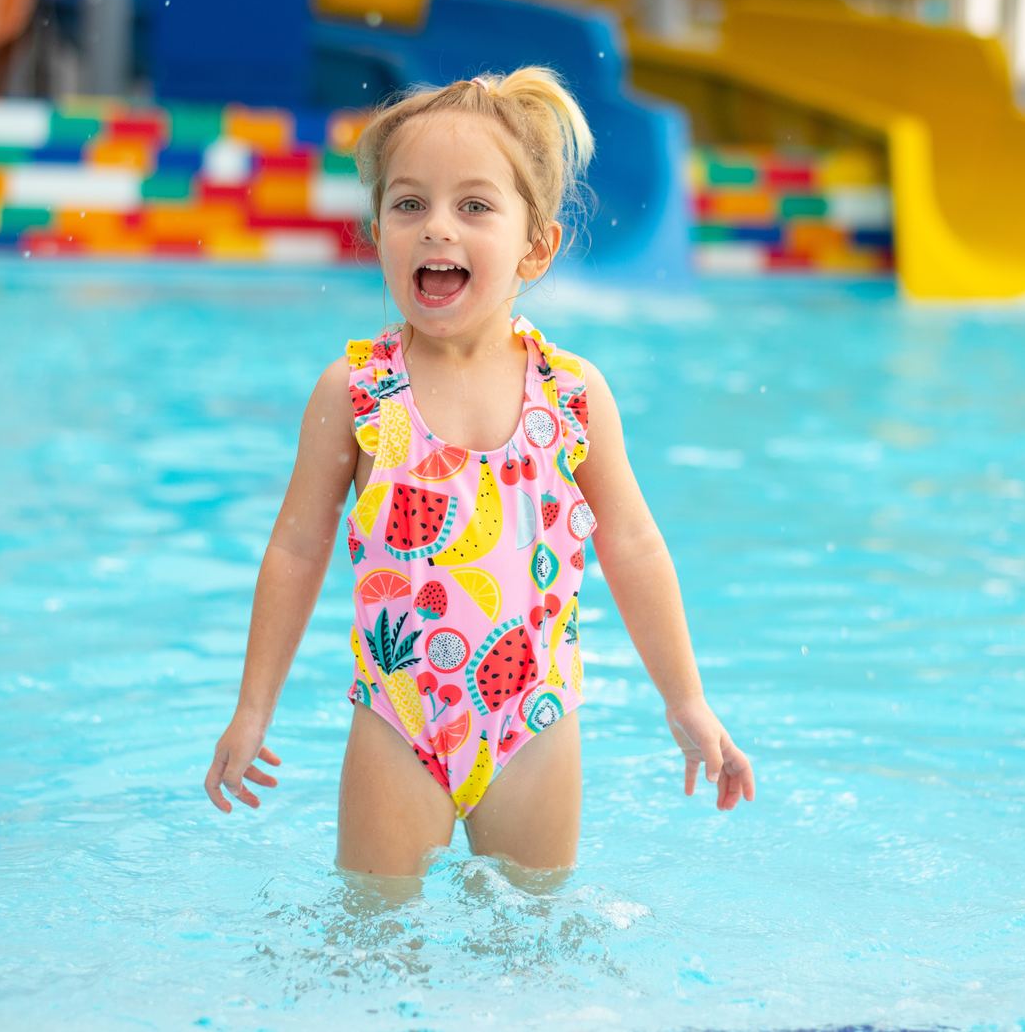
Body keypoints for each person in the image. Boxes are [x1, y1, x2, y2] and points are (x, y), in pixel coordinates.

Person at [203, 67, 755, 888]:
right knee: (374, 936)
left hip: (534, 721)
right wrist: (253, 708)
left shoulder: (572, 394)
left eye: (474, 206)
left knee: (534, 945)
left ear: (536, 246)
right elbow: (294, 550)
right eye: (409, 204)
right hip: (399, 721)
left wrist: (686, 700)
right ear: (378, 232)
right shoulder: (353, 393)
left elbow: (634, 545)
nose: (436, 229)